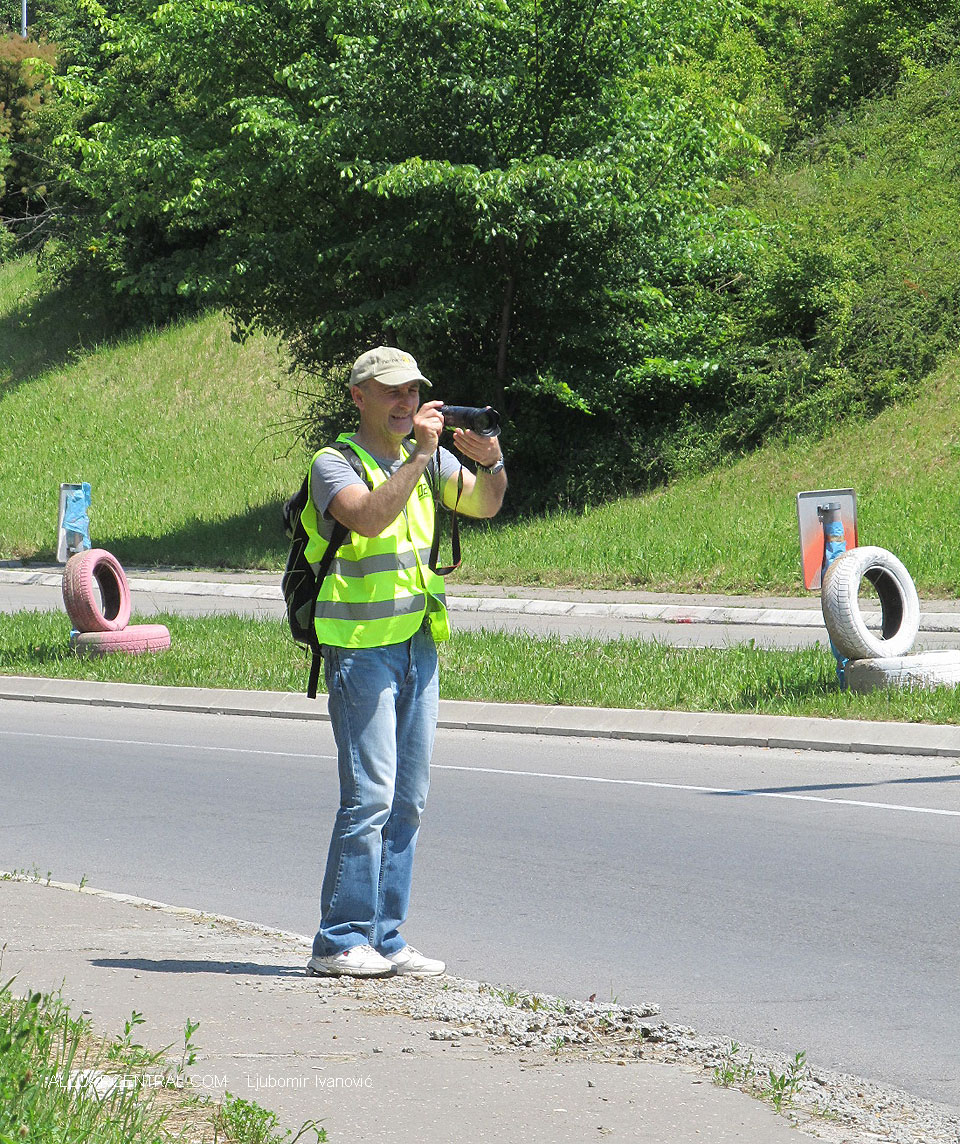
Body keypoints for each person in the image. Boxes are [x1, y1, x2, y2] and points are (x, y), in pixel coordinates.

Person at [303, 346, 507, 978]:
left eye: (412, 392)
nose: (405, 403)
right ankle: (338, 940)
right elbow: (367, 518)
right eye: (391, 392)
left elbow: (487, 504)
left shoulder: (432, 459)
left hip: (418, 642)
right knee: (369, 798)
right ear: (358, 396)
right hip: (359, 649)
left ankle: (386, 937)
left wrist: (493, 459)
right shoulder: (333, 463)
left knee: (409, 799)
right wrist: (420, 456)